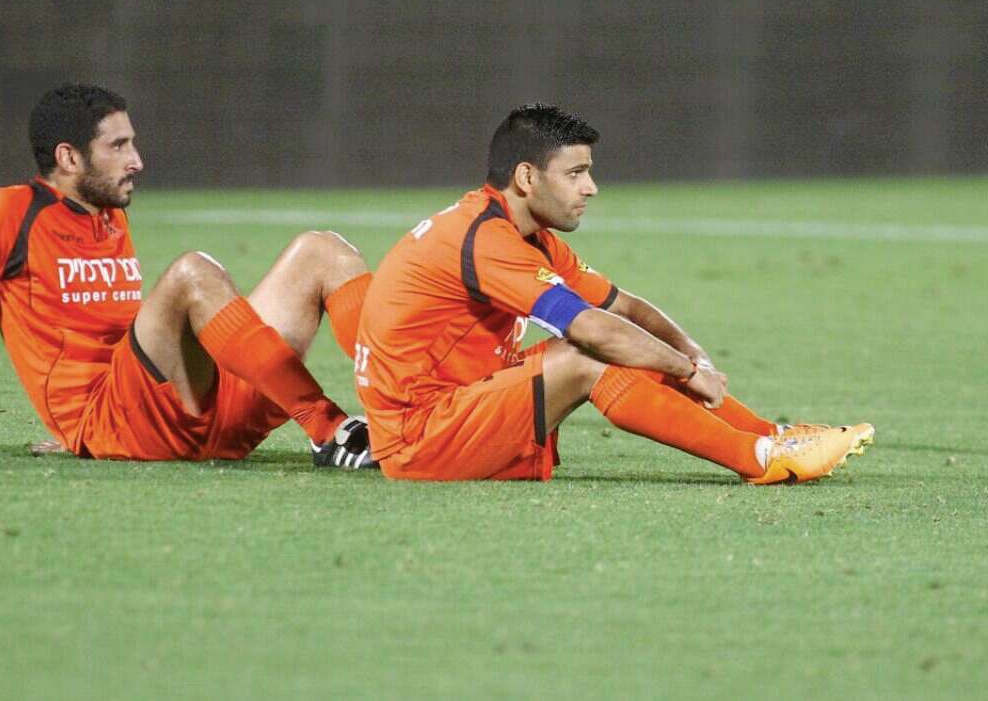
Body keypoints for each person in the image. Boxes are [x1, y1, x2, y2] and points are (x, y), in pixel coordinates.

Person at [0, 84, 377, 469]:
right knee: (191, 274)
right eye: (118, 146)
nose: (137, 160)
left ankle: (404, 407)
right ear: (68, 158)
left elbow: (110, 334)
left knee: (321, 251)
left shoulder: (107, 213)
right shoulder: (1, 216)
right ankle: (327, 428)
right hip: (120, 422)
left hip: (185, 414)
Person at [355, 103, 874, 484]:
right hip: (419, 439)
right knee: (587, 354)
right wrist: (685, 371)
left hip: (462, 405)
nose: (591, 187)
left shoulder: (524, 234)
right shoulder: (484, 239)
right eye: (575, 173)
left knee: (614, 344)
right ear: (526, 177)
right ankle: (758, 459)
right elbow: (592, 330)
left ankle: (771, 437)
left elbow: (623, 307)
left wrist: (692, 353)